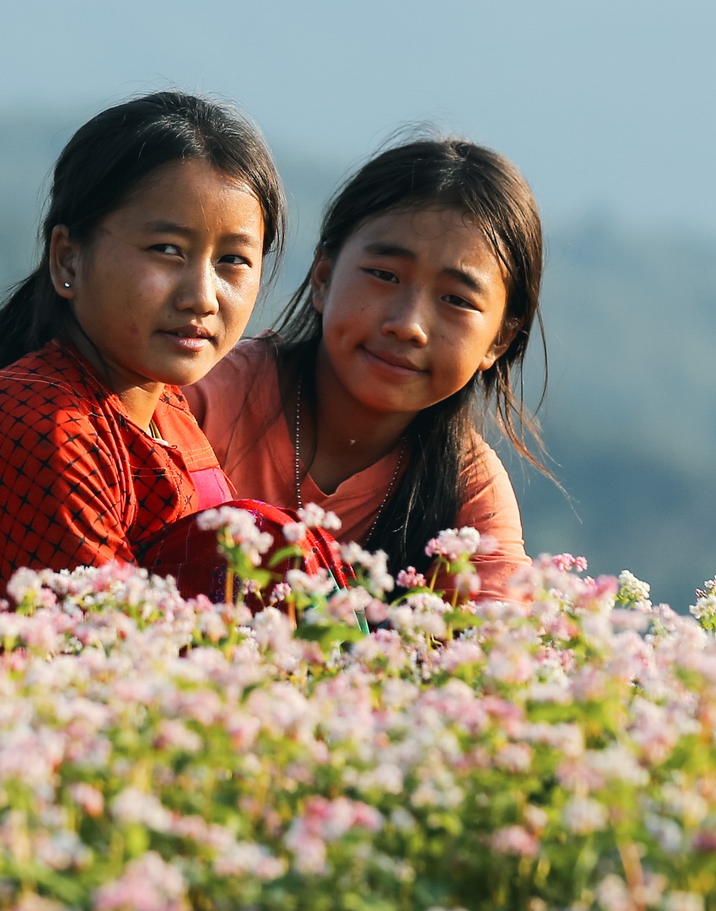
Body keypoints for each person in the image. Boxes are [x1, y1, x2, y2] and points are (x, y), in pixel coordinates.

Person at [0, 91, 285, 591]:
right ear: (67, 259)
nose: (202, 297)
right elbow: (103, 646)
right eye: (167, 250)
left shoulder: (165, 414)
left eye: (232, 260)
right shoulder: (41, 422)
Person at [187, 136, 544, 598]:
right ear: (323, 278)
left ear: (499, 340)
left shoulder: (468, 495)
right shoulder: (206, 399)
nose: (408, 325)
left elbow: (502, 652)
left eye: (456, 300)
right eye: (384, 275)